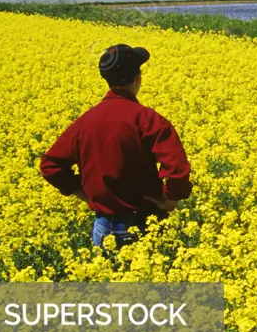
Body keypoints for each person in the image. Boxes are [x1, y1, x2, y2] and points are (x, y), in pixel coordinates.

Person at [39, 44, 194, 250]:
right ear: (137, 78)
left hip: (103, 227)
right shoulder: (149, 120)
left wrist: (83, 193)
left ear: (107, 80)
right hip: (146, 226)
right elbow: (177, 169)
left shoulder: (86, 121)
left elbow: (50, 165)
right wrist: (171, 198)